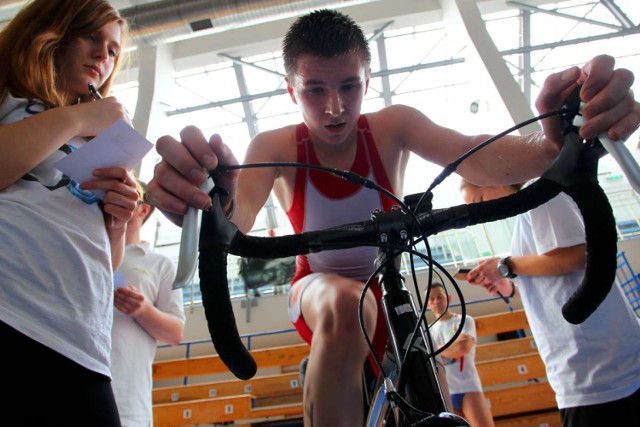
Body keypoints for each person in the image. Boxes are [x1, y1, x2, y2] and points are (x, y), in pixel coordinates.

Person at [146, 9, 639, 426]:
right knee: (345, 305)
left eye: (349, 86)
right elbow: (242, 214)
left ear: (369, 79)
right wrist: (214, 203)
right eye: (315, 90)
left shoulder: (393, 125)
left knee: (431, 383)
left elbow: (475, 154)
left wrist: (553, 142)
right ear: (291, 92)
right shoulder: (273, 145)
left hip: (390, 283)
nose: (335, 107)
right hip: (320, 288)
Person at [0, 0, 137, 424]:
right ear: (52, 32)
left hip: (82, 338)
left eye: (113, 50)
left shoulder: (94, 135)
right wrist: (77, 118)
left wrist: (116, 223)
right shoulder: (10, 97)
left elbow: (108, 262)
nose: (104, 55)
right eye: (91, 37)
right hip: (12, 312)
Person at [460, 179, 640, 427]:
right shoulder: (525, 217)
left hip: (601, 369)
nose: (484, 213)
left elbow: (578, 255)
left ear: (492, 174)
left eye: (479, 201)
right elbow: (553, 287)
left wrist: (506, 265)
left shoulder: (538, 193)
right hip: (583, 373)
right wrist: (509, 286)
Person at [111, 180, 186, 427]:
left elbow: (175, 332)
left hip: (126, 398)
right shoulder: (87, 248)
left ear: (143, 209)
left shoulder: (159, 264)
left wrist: (142, 310)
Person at [427, 282, 495, 427]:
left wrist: (437, 350)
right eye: (432, 299)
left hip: (468, 386)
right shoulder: (428, 331)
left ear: (448, 298)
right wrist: (450, 349)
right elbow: (431, 360)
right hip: (446, 391)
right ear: (427, 303)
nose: (436, 301)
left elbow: (462, 348)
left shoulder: (464, 320)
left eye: (440, 297)